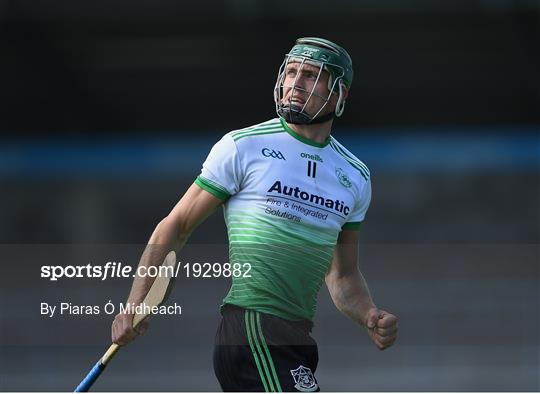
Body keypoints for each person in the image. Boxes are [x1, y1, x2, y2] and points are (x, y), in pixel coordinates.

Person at [112, 37, 398, 392]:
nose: (295, 83)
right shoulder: (244, 145)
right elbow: (176, 226)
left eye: (311, 75)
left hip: (297, 336)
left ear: (340, 94)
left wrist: (368, 313)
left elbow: (343, 274)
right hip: (251, 329)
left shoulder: (355, 175)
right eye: (291, 71)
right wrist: (138, 304)